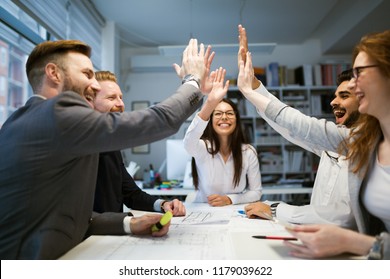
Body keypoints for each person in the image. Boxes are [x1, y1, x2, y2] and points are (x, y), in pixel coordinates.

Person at [0, 38, 214, 259]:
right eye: (87, 74)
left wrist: (131, 223)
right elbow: (159, 120)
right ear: (54, 73)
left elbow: (65, 215)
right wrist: (193, 81)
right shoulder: (56, 112)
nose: (94, 85)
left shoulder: (21, 121)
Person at [237, 28, 390, 259]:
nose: (333, 102)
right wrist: (255, 86)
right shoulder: (363, 142)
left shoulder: (355, 141)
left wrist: (250, 92)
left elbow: (304, 126)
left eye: (360, 73)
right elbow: (294, 129)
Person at [245, 68, 359, 228]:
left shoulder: (365, 143)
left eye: (344, 96)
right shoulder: (332, 144)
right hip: (316, 239)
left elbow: (344, 216)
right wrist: (255, 88)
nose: (333, 102)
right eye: (335, 96)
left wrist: (276, 209)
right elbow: (290, 129)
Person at [93, 70, 185, 216]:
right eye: (111, 98)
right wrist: (129, 224)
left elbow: (131, 194)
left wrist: (163, 204)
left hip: (109, 235)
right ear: (89, 102)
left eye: (121, 97)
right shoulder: (80, 147)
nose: (120, 104)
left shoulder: (111, 146)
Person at [183, 66, 262, 206]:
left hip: (234, 212)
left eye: (230, 113)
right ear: (211, 120)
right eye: (218, 114)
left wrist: (230, 199)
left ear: (236, 120)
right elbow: (188, 142)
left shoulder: (248, 152)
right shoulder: (202, 147)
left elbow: (256, 192)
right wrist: (209, 104)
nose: (224, 117)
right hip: (202, 210)